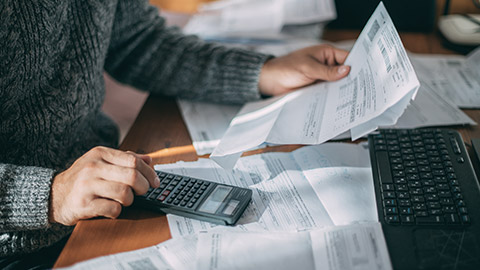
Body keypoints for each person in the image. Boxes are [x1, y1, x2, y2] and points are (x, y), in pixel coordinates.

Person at [0, 0, 350, 268]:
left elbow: (137, 40)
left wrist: (262, 72)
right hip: (22, 239)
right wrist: (52, 195)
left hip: (105, 196)